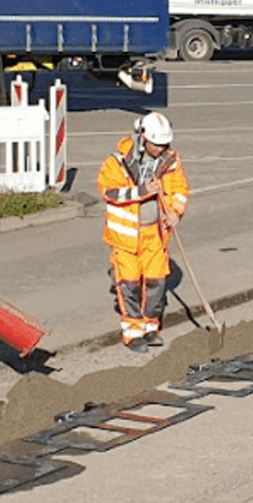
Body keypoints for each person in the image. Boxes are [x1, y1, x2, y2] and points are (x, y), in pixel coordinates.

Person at [98, 112, 189, 351]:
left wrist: (175, 212)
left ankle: (150, 327)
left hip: (155, 235)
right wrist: (141, 191)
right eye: (156, 145)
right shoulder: (118, 162)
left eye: (164, 145)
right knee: (129, 283)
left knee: (156, 283)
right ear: (143, 138)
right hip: (126, 237)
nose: (161, 149)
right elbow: (108, 191)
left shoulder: (171, 161)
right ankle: (132, 332)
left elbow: (179, 190)